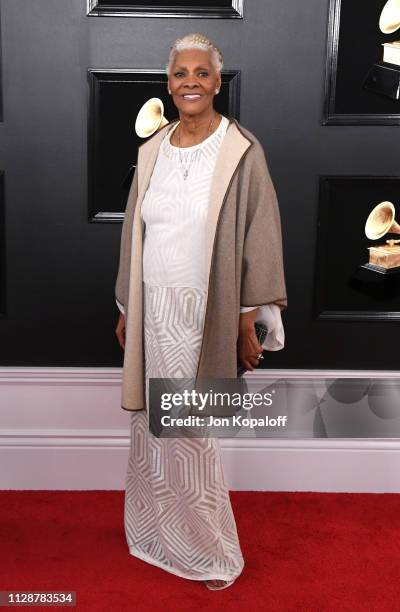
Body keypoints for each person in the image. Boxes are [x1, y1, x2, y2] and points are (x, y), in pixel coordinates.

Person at [114, 32, 287, 591]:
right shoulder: (152, 150)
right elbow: (133, 234)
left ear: (218, 81)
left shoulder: (242, 150)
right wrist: (126, 306)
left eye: (202, 73)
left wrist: (245, 319)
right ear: (169, 84)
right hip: (153, 307)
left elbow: (260, 235)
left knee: (192, 432)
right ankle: (154, 534)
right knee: (151, 426)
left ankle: (209, 550)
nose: (190, 81)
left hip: (205, 312)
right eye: (180, 73)